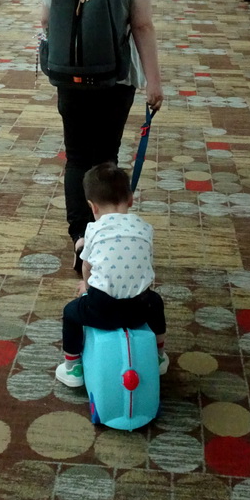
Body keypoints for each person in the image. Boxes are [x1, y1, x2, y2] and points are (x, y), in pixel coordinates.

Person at [40, 0, 163, 270]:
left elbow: (45, 20)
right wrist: (154, 83)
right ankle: (106, 239)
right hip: (117, 78)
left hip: (69, 78)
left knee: (76, 157)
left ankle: (79, 239)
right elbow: (142, 27)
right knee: (104, 156)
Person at [55, 163, 168, 387]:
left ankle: (73, 367)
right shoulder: (145, 228)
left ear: (92, 207)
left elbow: (86, 266)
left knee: (70, 313)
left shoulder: (93, 230)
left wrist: (86, 287)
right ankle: (158, 356)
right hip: (139, 309)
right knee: (157, 302)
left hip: (102, 309)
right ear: (131, 199)